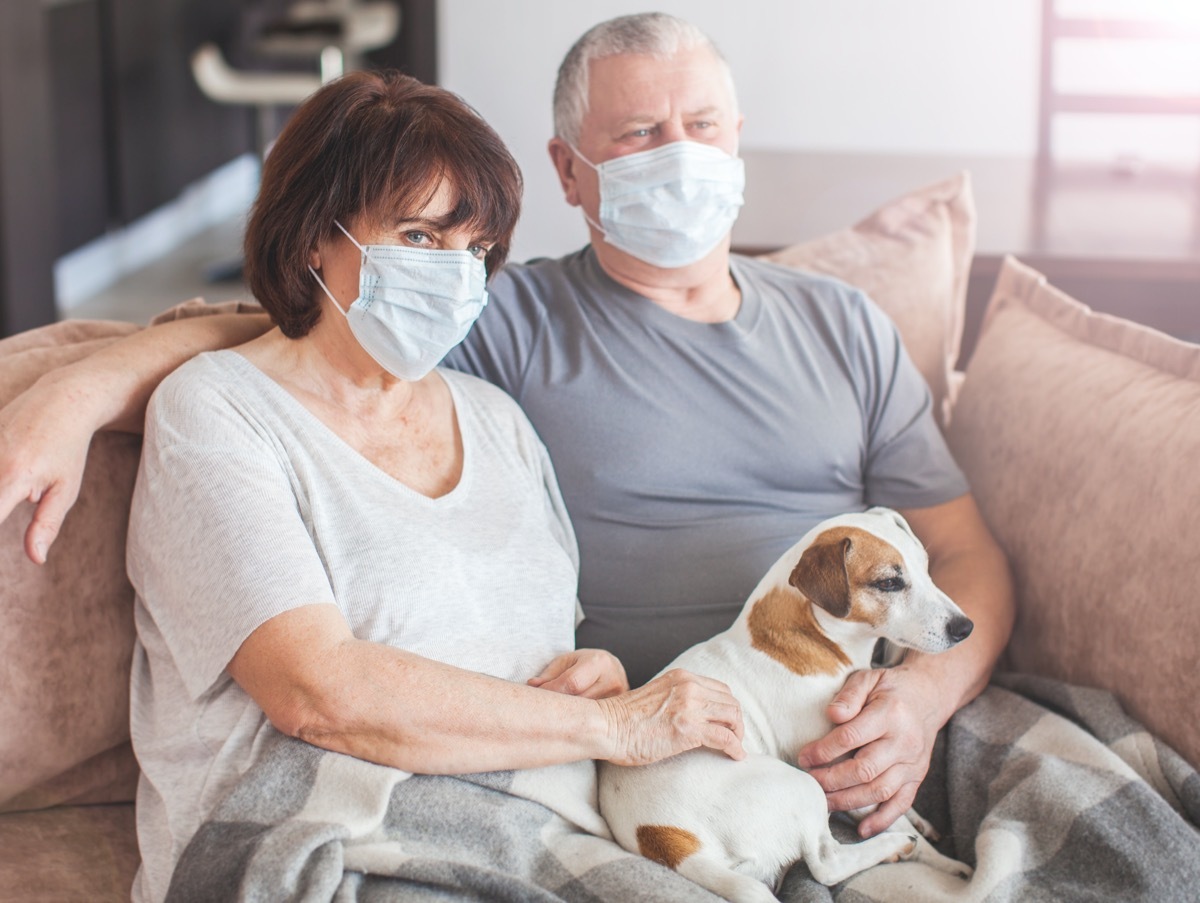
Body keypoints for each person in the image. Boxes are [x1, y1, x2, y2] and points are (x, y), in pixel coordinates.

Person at [0, 13, 1013, 844]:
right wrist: (80, 388)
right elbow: (308, 339)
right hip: (656, 758)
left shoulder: (841, 323)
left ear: (739, 134)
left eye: (703, 126)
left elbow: (965, 554)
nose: (682, 158)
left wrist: (920, 705)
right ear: (570, 173)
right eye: (638, 136)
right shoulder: (506, 323)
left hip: (853, 714)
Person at [100, 69, 747, 902]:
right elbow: (317, 692)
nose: (454, 274)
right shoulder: (218, 411)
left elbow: (532, 654)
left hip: (527, 819)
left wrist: (595, 676)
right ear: (311, 236)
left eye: (476, 250)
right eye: (418, 237)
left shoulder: (496, 419)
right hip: (317, 834)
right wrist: (612, 725)